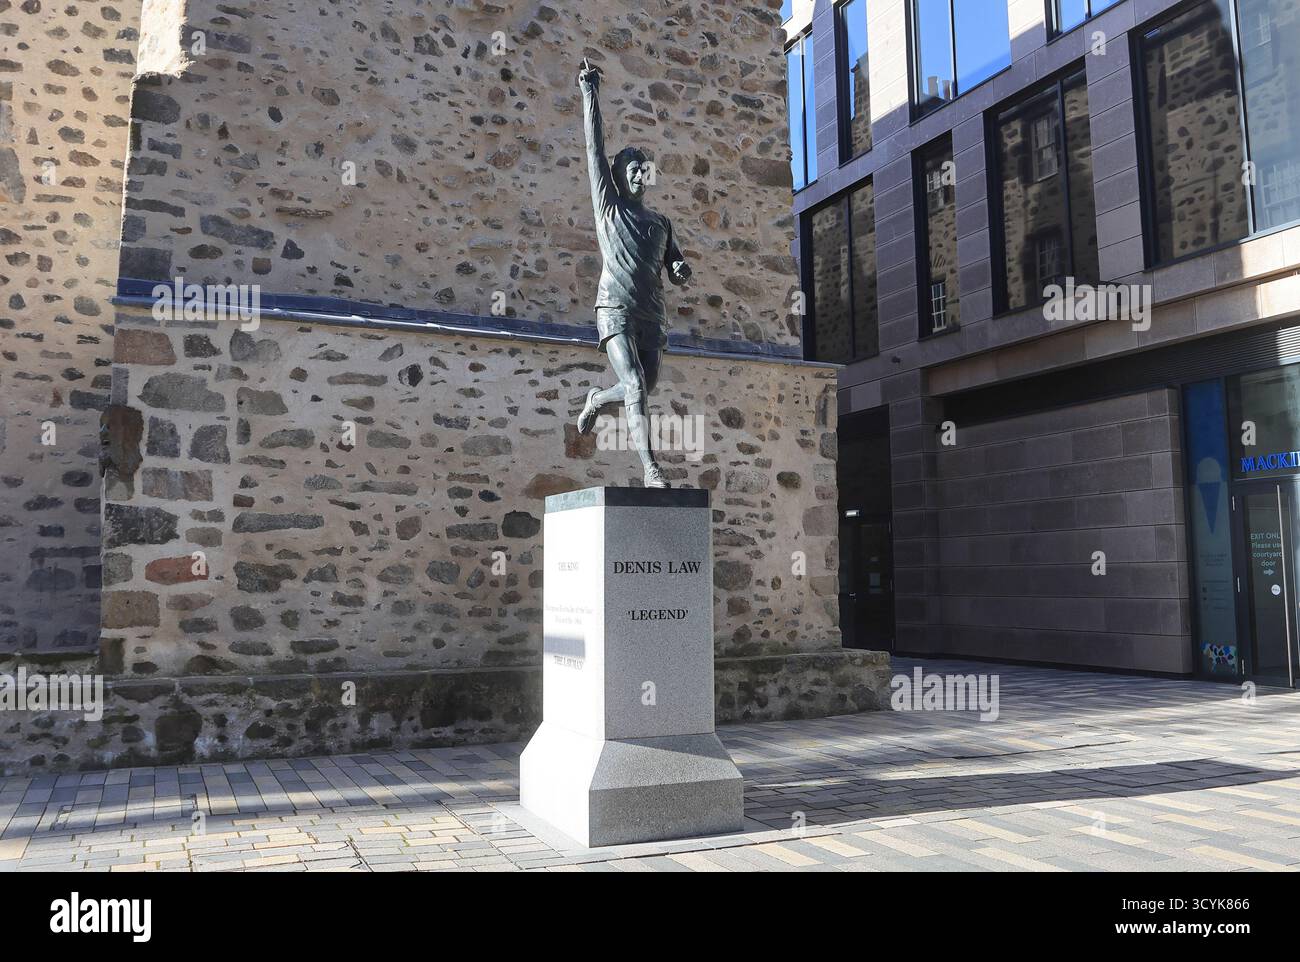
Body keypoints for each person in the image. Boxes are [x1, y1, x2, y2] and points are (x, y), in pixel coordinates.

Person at [574, 59, 691, 489]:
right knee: (637, 386)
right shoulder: (609, 208)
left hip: (651, 314)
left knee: (643, 385)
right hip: (616, 308)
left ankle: (597, 398)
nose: (640, 175)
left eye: (644, 170)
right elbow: (593, 150)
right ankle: (651, 469)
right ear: (619, 178)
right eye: (632, 170)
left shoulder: (660, 223)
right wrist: (590, 93)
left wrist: (680, 269)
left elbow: (675, 264)